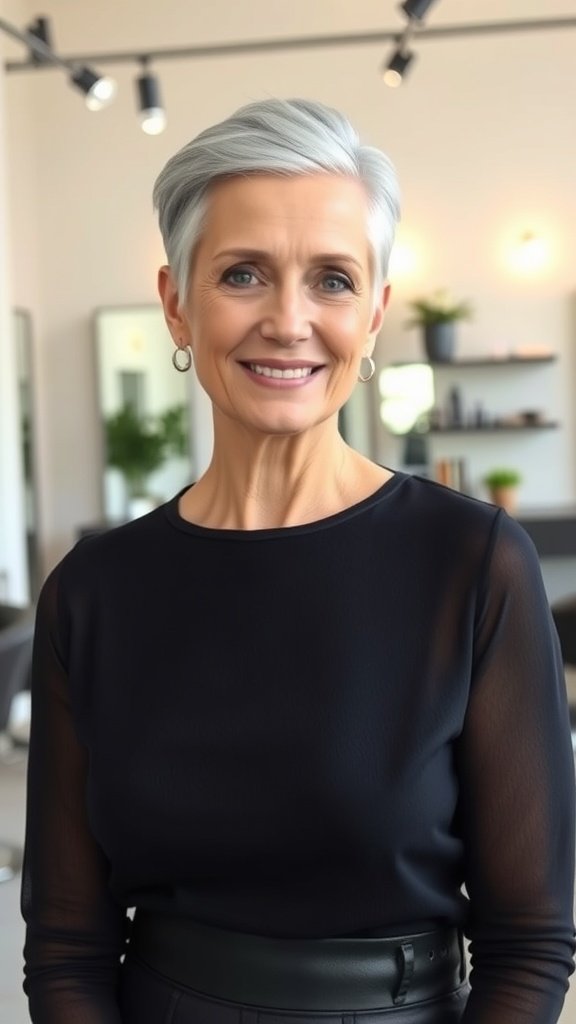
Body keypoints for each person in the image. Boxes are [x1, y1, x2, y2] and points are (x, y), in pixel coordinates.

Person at [21, 98, 575, 1024]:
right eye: (244, 273)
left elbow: (530, 946)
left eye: (332, 279)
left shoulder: (472, 565)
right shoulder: (94, 593)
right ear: (176, 303)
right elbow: (67, 951)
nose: (289, 319)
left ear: (375, 314)